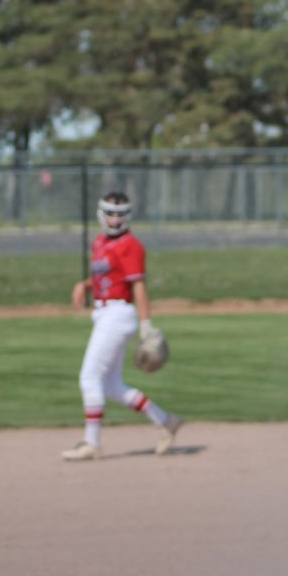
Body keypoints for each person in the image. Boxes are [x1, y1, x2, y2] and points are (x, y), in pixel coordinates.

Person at [61, 190, 182, 461]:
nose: (115, 219)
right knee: (111, 385)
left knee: (89, 377)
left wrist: (146, 324)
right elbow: (107, 278)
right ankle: (166, 421)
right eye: (110, 213)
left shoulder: (131, 245)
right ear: (101, 213)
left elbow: (137, 286)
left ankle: (92, 442)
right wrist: (84, 285)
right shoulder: (100, 243)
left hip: (118, 313)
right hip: (104, 313)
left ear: (128, 215)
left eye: (120, 214)